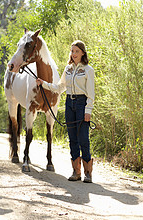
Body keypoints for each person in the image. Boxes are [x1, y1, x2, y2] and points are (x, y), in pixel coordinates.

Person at [36, 40, 95, 183]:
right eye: (72, 51)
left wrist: (88, 110)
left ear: (83, 53)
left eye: (77, 51)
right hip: (69, 103)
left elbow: (91, 93)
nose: (74, 54)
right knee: (72, 139)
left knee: (83, 139)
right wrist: (43, 84)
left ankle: (88, 172)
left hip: (82, 104)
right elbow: (60, 87)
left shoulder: (88, 70)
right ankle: (76, 171)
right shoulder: (67, 69)